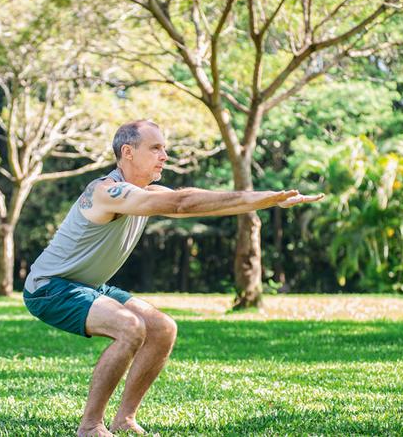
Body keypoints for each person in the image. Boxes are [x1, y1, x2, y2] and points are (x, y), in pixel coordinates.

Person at [23, 120, 323, 436]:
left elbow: (191, 202)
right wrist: (263, 198)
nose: (164, 155)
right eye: (155, 148)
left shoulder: (144, 193)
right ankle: (90, 426)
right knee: (130, 328)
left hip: (87, 286)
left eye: (164, 148)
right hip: (50, 287)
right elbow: (181, 202)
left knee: (162, 328)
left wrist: (267, 198)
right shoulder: (105, 192)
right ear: (128, 152)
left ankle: (124, 419)